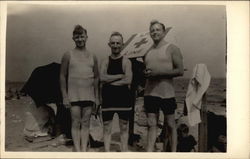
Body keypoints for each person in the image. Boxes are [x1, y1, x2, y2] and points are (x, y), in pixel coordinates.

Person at [143, 20, 184, 152]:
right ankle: (150, 152)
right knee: (151, 125)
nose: (155, 32)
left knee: (171, 125)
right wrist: (145, 73)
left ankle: (173, 152)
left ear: (164, 32)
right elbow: (147, 70)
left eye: (157, 29)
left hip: (167, 93)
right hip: (150, 92)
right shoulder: (147, 51)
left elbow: (180, 70)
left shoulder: (172, 48)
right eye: (152, 30)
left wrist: (159, 73)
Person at [60, 25, 99, 152]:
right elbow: (62, 76)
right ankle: (77, 150)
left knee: (86, 123)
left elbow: (96, 77)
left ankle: (83, 149)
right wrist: (65, 96)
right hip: (74, 96)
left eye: (82, 36)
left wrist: (97, 97)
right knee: (76, 122)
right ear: (73, 38)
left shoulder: (93, 56)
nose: (80, 39)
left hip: (88, 95)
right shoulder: (68, 55)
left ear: (86, 37)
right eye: (77, 37)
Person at [100, 32, 132, 152]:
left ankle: (124, 152)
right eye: (113, 43)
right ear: (109, 44)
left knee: (124, 127)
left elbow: (128, 80)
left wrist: (110, 82)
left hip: (123, 99)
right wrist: (119, 76)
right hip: (108, 98)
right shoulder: (105, 61)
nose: (115, 45)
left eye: (118, 43)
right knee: (107, 127)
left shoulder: (126, 62)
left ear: (122, 45)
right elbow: (102, 78)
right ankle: (107, 152)